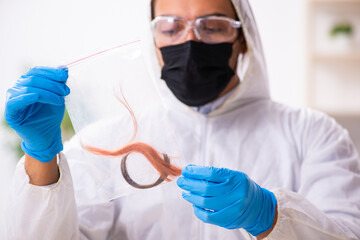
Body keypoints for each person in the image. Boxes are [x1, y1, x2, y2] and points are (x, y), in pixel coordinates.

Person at [3, 0, 360, 239]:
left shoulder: (313, 134)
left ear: (243, 39)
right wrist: (41, 158)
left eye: (213, 27)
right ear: (152, 39)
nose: (191, 42)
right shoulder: (106, 141)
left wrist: (273, 217)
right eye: (171, 28)